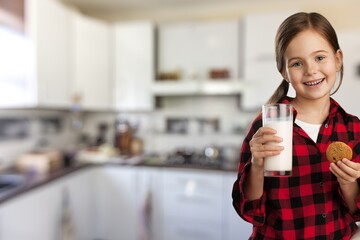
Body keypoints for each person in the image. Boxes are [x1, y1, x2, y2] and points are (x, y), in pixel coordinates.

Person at [232, 12, 360, 239]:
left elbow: (356, 211)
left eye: (320, 58)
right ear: (284, 71)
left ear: (338, 59)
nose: (311, 70)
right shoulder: (266, 125)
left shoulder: (353, 128)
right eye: (297, 63)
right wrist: (257, 165)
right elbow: (249, 211)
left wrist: (348, 182)